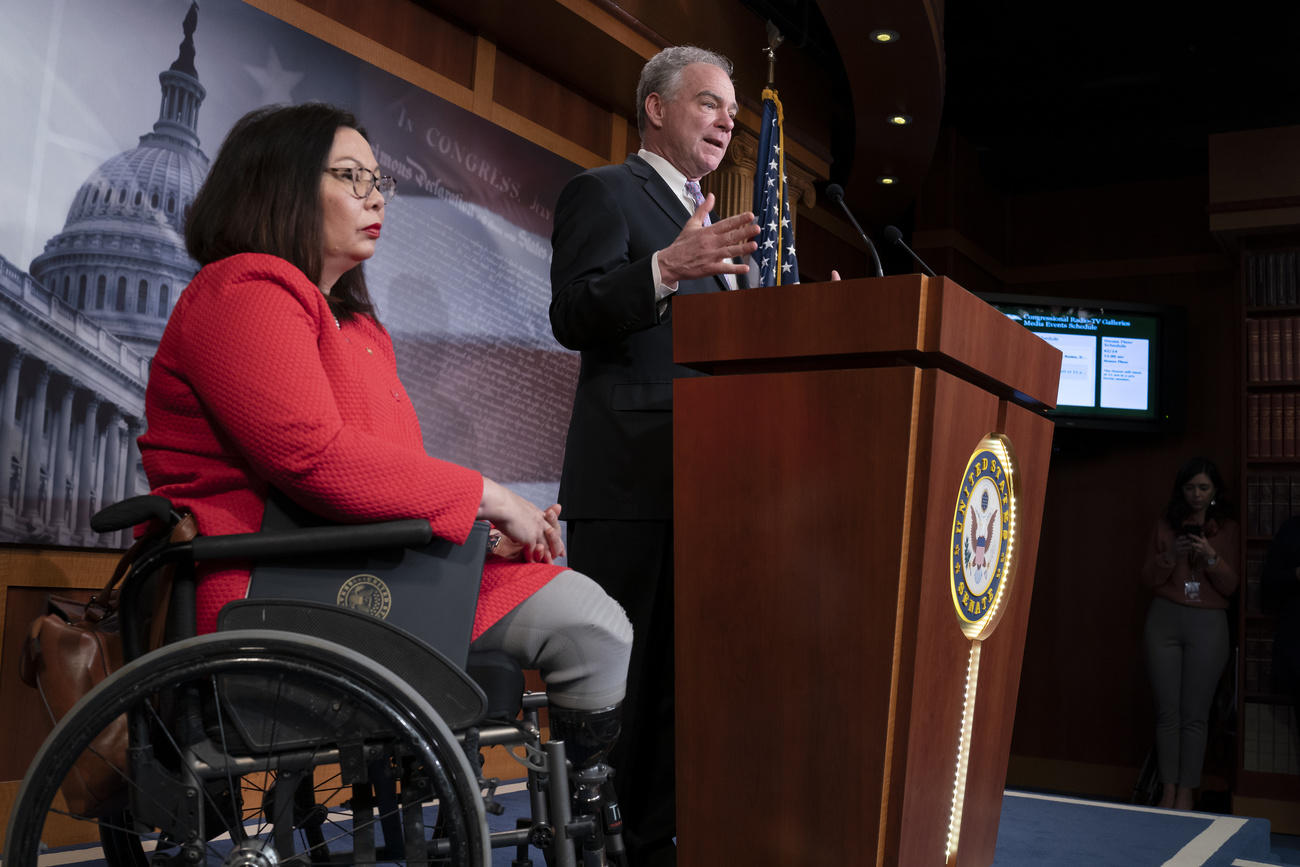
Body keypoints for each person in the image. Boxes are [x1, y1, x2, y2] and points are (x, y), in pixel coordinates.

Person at [138, 103, 632, 776]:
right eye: (351, 176)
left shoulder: (359, 328)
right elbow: (312, 458)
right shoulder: (245, 288)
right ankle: (582, 803)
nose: (375, 197)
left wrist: (484, 537)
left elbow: (387, 480)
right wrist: (489, 497)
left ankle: (581, 809)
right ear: (280, 182)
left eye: (379, 181)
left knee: (590, 619)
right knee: (589, 622)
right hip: (276, 580)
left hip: (353, 561)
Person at [548, 45, 760, 866]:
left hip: (710, 482)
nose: (726, 122)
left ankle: (654, 843)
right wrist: (666, 267)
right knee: (622, 693)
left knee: (680, 688)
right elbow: (572, 312)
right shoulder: (603, 194)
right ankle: (597, 849)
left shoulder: (715, 230)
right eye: (710, 103)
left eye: (732, 114)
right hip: (629, 481)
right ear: (658, 108)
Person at [1140, 457, 1239, 810]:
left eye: (1203, 488)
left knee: (1195, 714)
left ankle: (1187, 792)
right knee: (1168, 712)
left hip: (1208, 623)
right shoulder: (1168, 524)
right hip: (1165, 619)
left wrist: (1210, 556)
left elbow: (1231, 586)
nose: (1196, 495)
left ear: (1214, 492)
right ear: (1181, 491)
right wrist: (1170, 555)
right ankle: (1168, 790)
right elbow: (1149, 579)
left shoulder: (1226, 529)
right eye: (1189, 488)